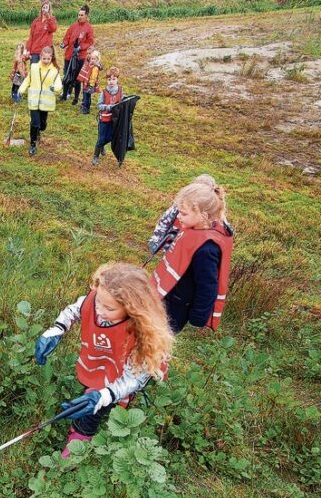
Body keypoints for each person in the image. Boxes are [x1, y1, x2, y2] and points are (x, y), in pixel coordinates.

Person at [34, 263, 173, 458]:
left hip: (124, 373)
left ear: (132, 309)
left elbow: (135, 376)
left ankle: (78, 445)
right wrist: (57, 329)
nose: (99, 310)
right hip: (99, 364)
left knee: (91, 412)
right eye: (98, 301)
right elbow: (75, 309)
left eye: (109, 308)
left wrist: (106, 395)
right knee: (91, 395)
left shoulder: (142, 334)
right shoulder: (96, 300)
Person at [151, 180, 234, 333]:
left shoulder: (206, 250)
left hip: (178, 305)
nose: (179, 217)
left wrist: (198, 316)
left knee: (160, 338)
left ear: (203, 215)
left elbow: (208, 285)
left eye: (183, 213)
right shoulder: (192, 228)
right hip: (169, 296)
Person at [14, 46, 62, 156]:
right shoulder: (34, 67)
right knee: (35, 123)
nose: (46, 61)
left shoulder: (54, 71)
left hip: (45, 103)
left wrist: (55, 89)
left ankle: (39, 131)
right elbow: (28, 80)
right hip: (34, 101)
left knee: (42, 125)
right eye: (44, 58)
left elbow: (59, 84)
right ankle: (33, 144)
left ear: (51, 58)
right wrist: (21, 90)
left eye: (48, 59)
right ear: (40, 57)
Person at [59, 5, 95, 105]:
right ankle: (64, 94)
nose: (79, 17)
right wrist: (64, 43)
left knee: (77, 78)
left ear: (86, 16)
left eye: (81, 15)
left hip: (80, 57)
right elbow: (67, 37)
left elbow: (90, 42)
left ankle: (76, 98)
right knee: (67, 75)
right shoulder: (73, 26)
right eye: (78, 15)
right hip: (69, 55)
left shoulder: (89, 28)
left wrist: (81, 47)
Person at [92, 67, 124, 166]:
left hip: (114, 120)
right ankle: (95, 156)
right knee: (101, 139)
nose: (111, 81)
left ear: (117, 79)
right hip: (104, 120)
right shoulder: (104, 92)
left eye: (113, 79)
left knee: (110, 137)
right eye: (109, 79)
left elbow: (122, 102)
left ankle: (102, 146)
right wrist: (109, 107)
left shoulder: (120, 90)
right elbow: (99, 105)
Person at [76, 48, 102, 115]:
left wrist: (91, 85)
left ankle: (86, 109)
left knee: (87, 96)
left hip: (89, 84)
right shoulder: (90, 65)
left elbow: (93, 78)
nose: (92, 60)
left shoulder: (95, 68)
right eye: (91, 58)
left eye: (94, 59)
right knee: (85, 95)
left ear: (97, 60)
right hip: (86, 83)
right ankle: (84, 105)